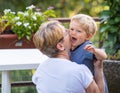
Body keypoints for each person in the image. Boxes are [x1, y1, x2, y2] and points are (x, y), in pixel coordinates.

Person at [32, 20, 105, 93]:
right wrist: (99, 68)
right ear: (60, 46)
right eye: (66, 32)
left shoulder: (41, 69)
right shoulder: (80, 71)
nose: (70, 32)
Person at [69, 14, 108, 93]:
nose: (73, 33)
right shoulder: (68, 46)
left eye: (78, 31)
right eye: (71, 29)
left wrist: (95, 51)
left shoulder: (87, 47)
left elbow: (104, 56)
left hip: (95, 85)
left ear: (88, 37)